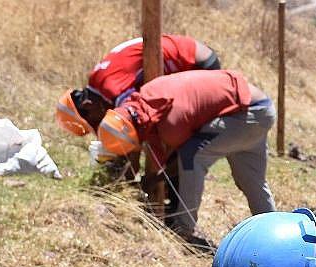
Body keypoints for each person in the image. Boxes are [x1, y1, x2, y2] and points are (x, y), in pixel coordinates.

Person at [94, 69, 276, 249]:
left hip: (246, 113)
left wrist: (154, 180)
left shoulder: (171, 125)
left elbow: (182, 160)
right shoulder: (148, 95)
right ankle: (274, 238)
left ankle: (183, 229)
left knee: (193, 155)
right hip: (260, 108)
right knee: (252, 182)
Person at [55, 33, 221, 137]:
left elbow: (137, 122)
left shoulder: (111, 89)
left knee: (174, 131)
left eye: (94, 123)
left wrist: (125, 155)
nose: (99, 127)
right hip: (191, 55)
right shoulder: (97, 80)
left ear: (88, 105)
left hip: (196, 63)